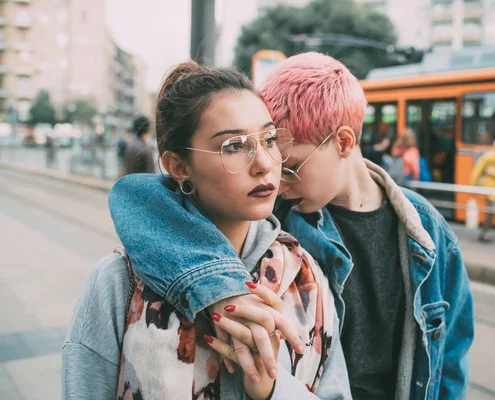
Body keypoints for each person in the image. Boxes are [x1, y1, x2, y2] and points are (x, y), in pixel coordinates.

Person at [108, 52, 474, 399]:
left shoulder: (425, 230)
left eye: (290, 164)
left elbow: (452, 362)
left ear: (344, 142)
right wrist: (218, 284)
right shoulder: (275, 216)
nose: (275, 178)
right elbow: (137, 197)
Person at [62, 62, 351, 399]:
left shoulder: (304, 275)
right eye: (234, 146)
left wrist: (272, 388)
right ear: (179, 167)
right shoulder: (119, 283)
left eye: (269, 139)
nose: (263, 163)